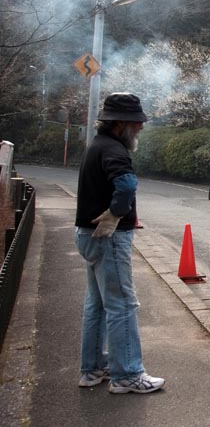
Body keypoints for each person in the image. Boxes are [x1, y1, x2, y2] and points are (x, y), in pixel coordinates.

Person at [74, 93, 165, 394]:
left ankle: (92, 369)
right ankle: (127, 375)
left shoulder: (96, 146)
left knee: (97, 304)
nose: (140, 128)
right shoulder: (115, 150)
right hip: (108, 237)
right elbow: (126, 184)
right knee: (122, 304)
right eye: (137, 123)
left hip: (87, 234)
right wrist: (116, 213)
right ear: (122, 123)